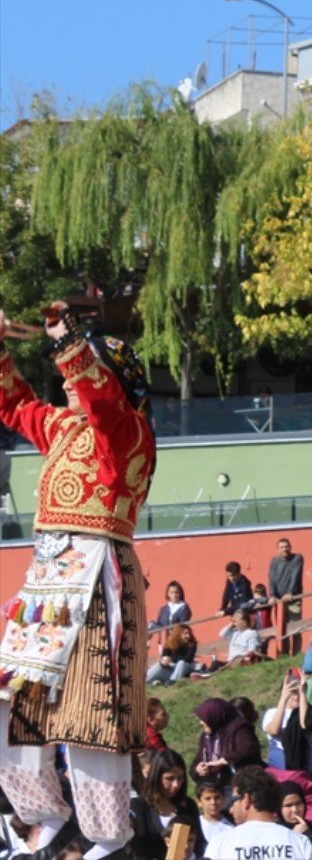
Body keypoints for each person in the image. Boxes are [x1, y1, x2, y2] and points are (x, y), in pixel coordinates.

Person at [0, 305, 155, 860]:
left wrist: (70, 345)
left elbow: (107, 409)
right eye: (69, 369)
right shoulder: (65, 429)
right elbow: (16, 405)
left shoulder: (131, 432)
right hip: (45, 587)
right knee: (9, 700)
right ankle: (47, 819)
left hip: (97, 581)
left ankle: (108, 837)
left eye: (83, 370)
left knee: (92, 711)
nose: (68, 378)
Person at [204, 767, 312, 860]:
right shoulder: (300, 842)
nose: (230, 809)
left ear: (246, 799)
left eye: (233, 800)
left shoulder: (220, 843)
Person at [130, 748, 208, 860]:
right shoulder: (138, 806)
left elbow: (199, 844)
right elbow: (135, 849)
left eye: (180, 778)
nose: (176, 784)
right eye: (169, 778)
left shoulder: (188, 805)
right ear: (156, 777)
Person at [194, 699, 262, 792]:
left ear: (214, 717)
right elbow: (198, 759)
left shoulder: (239, 728)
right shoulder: (206, 737)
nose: (201, 722)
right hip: (215, 787)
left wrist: (222, 761)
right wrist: (199, 770)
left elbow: (247, 749)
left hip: (241, 785)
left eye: (204, 718)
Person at [269, 537, 306, 656]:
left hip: (293, 599)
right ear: (277, 549)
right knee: (281, 628)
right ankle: (284, 655)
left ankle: (295, 654)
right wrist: (272, 595)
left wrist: (290, 592)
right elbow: (271, 579)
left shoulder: (297, 558)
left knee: (295, 627)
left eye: (287, 546)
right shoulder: (274, 561)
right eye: (282, 547)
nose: (285, 549)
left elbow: (295, 576)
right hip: (279, 600)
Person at [278, 780, 312, 849]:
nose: (295, 810)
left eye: (298, 803)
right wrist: (293, 837)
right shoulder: (273, 832)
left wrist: (308, 834)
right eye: (288, 805)